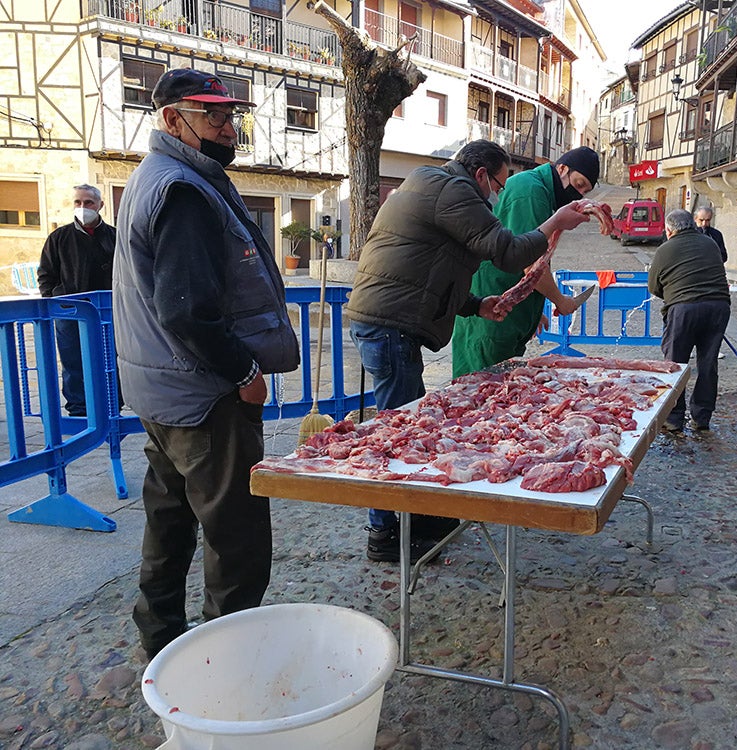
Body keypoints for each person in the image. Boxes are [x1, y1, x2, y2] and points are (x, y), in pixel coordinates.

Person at [112, 68, 300, 659]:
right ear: (173, 119)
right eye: (212, 117)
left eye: (229, 116)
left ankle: (161, 643)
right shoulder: (182, 189)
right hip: (201, 394)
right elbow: (187, 310)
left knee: (167, 523)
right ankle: (226, 661)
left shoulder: (158, 177)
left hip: (161, 390)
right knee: (235, 535)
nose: (227, 127)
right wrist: (243, 374)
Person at [345, 139, 591, 562]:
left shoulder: (430, 184)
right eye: (497, 186)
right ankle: (385, 534)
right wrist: (555, 222)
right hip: (390, 326)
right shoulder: (453, 191)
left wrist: (477, 305)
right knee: (398, 434)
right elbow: (510, 253)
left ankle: (416, 517)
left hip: (387, 320)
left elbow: (426, 272)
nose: (496, 197)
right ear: (480, 175)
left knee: (407, 424)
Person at [451, 146, 600, 378]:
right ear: (562, 168)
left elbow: (536, 254)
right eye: (578, 184)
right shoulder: (530, 191)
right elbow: (531, 264)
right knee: (479, 390)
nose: (578, 193)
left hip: (508, 313)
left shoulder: (541, 192)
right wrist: (561, 301)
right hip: (493, 310)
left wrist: (533, 310)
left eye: (585, 191)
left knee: (498, 395)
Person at [648, 209, 731, 432]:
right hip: (718, 308)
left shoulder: (665, 249)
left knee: (675, 363)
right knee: (708, 363)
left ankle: (673, 418)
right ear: (693, 224)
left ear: (668, 230)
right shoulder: (710, 243)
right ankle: (702, 417)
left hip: (683, 309)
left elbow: (653, 287)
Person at [37, 184, 116, 417]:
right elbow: (46, 274)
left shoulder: (115, 236)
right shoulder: (59, 238)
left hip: (107, 312)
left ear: (100, 205)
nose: (83, 207)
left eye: (89, 202)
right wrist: (56, 299)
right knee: (74, 362)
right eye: (78, 202)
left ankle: (112, 406)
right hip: (70, 312)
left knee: (110, 359)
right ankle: (79, 410)